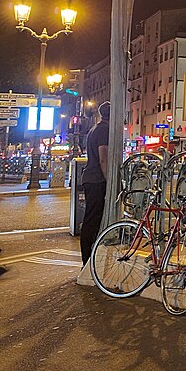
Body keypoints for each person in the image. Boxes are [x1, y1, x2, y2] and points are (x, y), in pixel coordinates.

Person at [80, 101, 111, 264]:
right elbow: (103, 158)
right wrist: (109, 182)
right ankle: (87, 258)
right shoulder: (104, 130)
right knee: (93, 220)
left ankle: (88, 257)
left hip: (90, 178)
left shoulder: (95, 129)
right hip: (97, 179)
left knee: (91, 218)